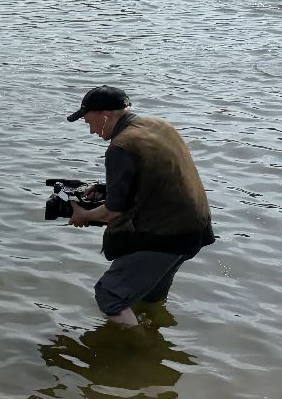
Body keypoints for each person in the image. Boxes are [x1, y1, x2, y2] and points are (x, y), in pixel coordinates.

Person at [64, 86, 214, 326]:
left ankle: (140, 351)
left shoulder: (120, 146)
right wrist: (106, 187)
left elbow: (113, 211)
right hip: (196, 230)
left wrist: (83, 215)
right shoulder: (160, 126)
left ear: (105, 116)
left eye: (90, 123)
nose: (92, 131)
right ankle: (154, 339)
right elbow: (157, 173)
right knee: (149, 297)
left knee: (110, 295)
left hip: (165, 236)